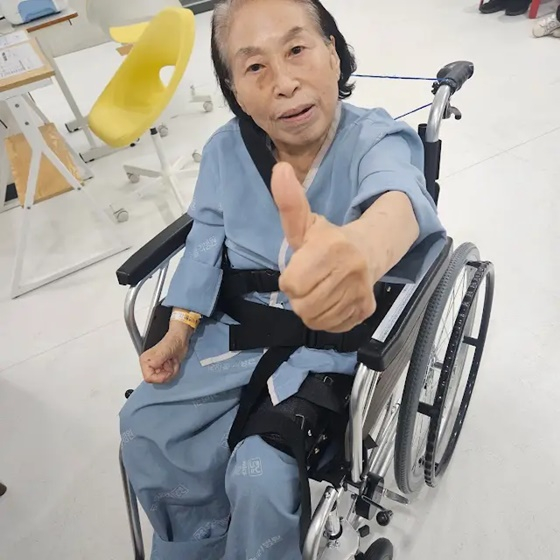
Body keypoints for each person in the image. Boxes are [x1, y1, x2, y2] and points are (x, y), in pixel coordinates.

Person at [119, 0, 447, 559]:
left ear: (334, 55)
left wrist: (361, 252)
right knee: (145, 428)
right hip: (232, 335)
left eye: (296, 49)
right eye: (255, 66)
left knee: (261, 475)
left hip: (328, 352)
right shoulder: (225, 150)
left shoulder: (376, 140)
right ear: (235, 89)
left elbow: (398, 199)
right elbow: (205, 241)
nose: (284, 82)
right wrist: (179, 328)